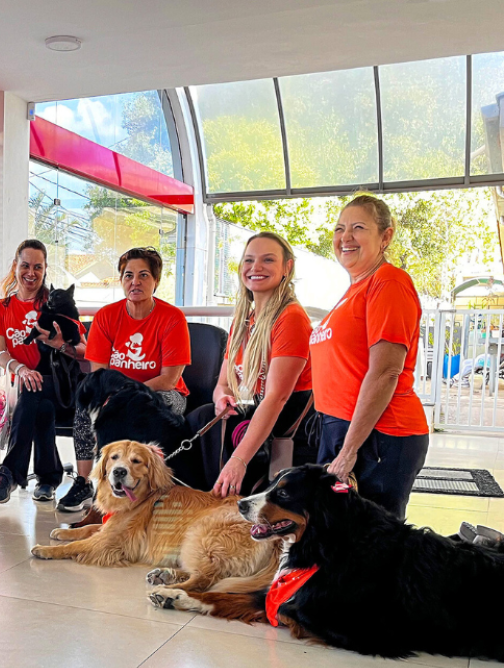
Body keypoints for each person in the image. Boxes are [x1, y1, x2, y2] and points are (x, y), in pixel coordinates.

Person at [310, 195, 429, 519]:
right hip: (344, 430)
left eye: (358, 228)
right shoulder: (354, 290)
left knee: (373, 546)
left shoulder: (388, 283)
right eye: (339, 228)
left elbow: (385, 373)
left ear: (386, 236)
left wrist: (349, 450)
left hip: (379, 436)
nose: (345, 237)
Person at [185, 232, 314, 497]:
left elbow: (277, 399)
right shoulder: (244, 320)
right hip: (263, 414)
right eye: (249, 260)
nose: (255, 268)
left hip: (294, 429)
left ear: (286, 268)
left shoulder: (290, 318)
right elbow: (223, 384)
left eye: (268, 260)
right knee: (205, 415)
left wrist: (238, 461)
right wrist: (223, 399)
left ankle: (221, 498)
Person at [0, 239, 95, 508]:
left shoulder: (55, 302)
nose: (30, 273)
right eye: (25, 265)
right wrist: (20, 369)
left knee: (36, 390)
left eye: (37, 267)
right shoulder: (0, 307)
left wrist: (61, 345)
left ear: (45, 271)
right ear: (15, 266)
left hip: (62, 388)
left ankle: (8, 472)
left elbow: (86, 351)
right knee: (37, 400)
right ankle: (48, 477)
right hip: (21, 388)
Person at [85, 247, 191, 414]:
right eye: (128, 276)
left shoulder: (173, 318)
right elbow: (100, 375)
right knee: (86, 407)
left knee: (142, 406)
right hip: (114, 393)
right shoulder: (105, 316)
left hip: (163, 393)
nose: (135, 282)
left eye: (143, 275)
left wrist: (127, 394)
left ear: (156, 280)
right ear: (121, 281)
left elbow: (169, 380)